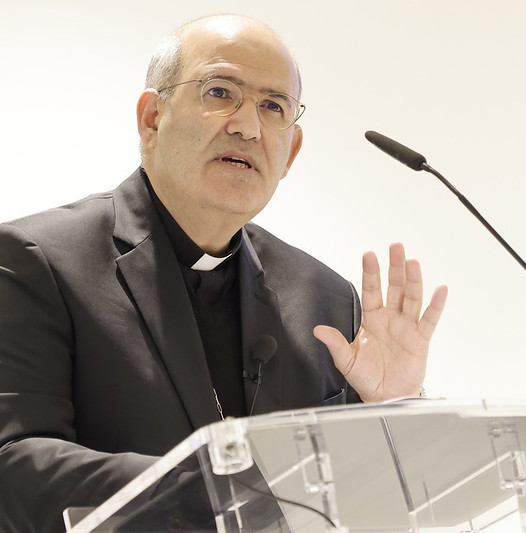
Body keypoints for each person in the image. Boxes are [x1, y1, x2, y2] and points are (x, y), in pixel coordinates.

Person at [0, 14, 447, 533]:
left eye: (273, 107)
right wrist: (215, 493)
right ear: (152, 119)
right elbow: (14, 465)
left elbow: (358, 504)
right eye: (219, 92)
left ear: (291, 152)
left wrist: (393, 415)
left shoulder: (325, 298)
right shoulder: (38, 259)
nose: (248, 126)